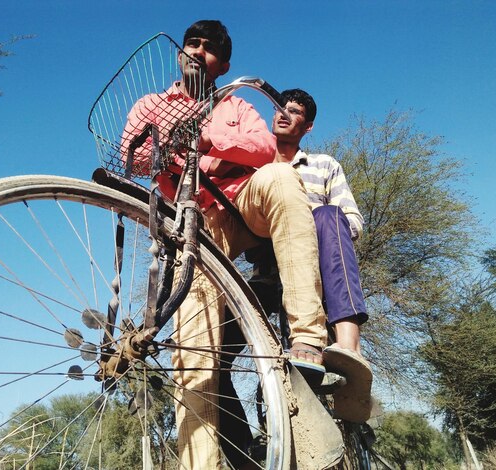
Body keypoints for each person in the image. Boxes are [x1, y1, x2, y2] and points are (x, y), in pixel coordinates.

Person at [122, 21, 328, 468]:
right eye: (192, 43)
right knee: (193, 346)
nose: (198, 52)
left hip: (241, 206)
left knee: (280, 176)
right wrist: (169, 138)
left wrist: (209, 137)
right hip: (192, 220)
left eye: (209, 48)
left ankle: (309, 339)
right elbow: (131, 157)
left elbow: (262, 149)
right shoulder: (151, 104)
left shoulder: (236, 104)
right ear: (181, 52)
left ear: (224, 64)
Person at [269, 88, 373, 423]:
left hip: (321, 254)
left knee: (329, 216)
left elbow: (352, 221)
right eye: (279, 108)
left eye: (295, 111)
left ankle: (348, 350)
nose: (284, 114)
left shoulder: (323, 165)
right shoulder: (257, 168)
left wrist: (310, 225)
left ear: (308, 125)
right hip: (272, 262)